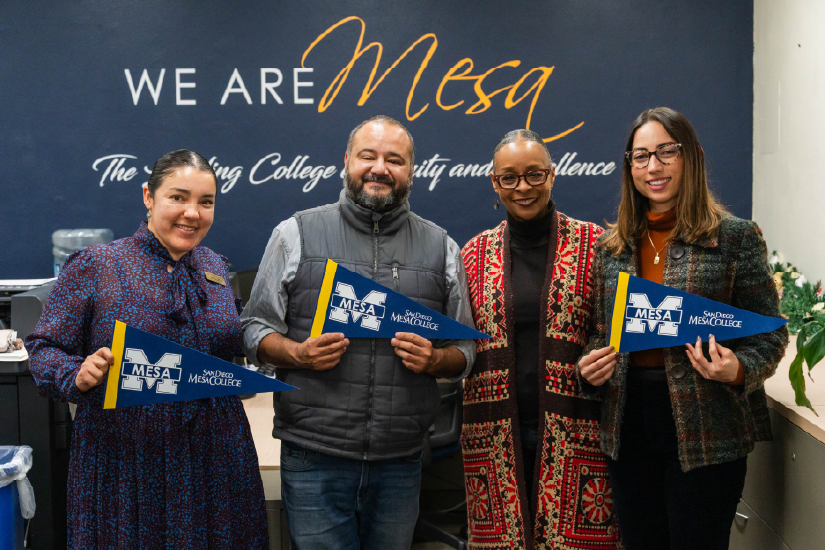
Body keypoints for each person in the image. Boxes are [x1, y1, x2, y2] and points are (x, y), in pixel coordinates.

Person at [241, 115, 476, 550]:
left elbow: (465, 349)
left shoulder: (441, 247)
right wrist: (298, 354)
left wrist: (436, 361)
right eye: (368, 156)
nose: (380, 168)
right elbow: (254, 330)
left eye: (395, 159)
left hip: (401, 462)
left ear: (411, 171)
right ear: (347, 161)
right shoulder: (295, 234)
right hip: (314, 456)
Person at [26, 150, 268, 549]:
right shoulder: (97, 265)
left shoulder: (215, 266)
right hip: (128, 461)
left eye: (205, 202)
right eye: (178, 197)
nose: (192, 212)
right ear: (148, 196)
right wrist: (76, 373)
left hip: (217, 456)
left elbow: (231, 340)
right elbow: (44, 348)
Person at [577, 107, 789, 550]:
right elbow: (602, 332)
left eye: (665, 152)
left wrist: (737, 370)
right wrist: (592, 367)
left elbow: (770, 334)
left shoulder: (735, 237)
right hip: (628, 422)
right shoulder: (611, 247)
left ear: (691, 156)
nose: (652, 167)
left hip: (708, 426)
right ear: (629, 166)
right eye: (640, 156)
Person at [460, 129, 622, 548]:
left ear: (552, 175)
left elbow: (612, 328)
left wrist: (596, 354)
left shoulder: (597, 246)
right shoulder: (472, 255)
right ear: (495, 184)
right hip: (494, 434)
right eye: (509, 178)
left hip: (577, 429)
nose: (523, 188)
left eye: (534, 174)